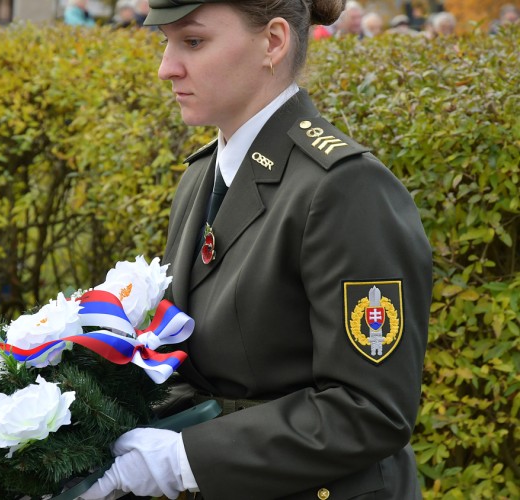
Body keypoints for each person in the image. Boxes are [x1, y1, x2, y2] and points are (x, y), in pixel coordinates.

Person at [81, 0, 432, 498]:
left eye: (194, 41)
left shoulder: (344, 189)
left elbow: (370, 409)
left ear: (273, 42)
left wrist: (184, 459)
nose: (166, 67)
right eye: (166, 42)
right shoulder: (203, 176)